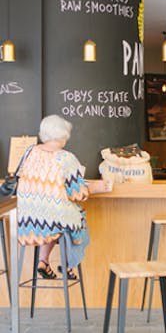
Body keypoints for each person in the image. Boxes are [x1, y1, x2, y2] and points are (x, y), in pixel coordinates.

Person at [17, 115, 107, 279]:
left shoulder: (29, 151)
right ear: (63, 135)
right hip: (53, 220)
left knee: (54, 220)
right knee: (77, 219)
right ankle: (68, 266)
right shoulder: (65, 158)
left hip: (28, 221)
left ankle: (43, 261)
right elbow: (78, 194)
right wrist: (97, 187)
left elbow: (19, 176)